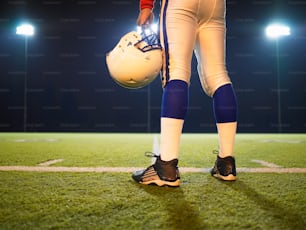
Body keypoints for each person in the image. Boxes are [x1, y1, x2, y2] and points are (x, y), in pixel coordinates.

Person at [132, 0, 238, 186]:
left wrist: (146, 6)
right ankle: (226, 163)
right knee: (219, 76)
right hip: (215, 5)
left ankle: (166, 166)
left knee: (177, 72)